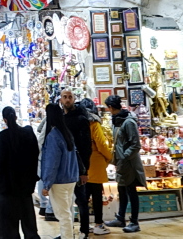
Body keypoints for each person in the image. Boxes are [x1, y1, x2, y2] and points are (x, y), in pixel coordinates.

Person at [0, 106, 40, 239]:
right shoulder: (28, 134)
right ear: (16, 117)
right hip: (25, 187)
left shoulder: (2, 138)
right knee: (28, 222)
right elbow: (35, 155)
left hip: (7, 188)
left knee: (8, 226)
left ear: (5, 120)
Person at [103, 95, 144, 233]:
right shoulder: (117, 121)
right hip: (121, 163)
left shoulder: (128, 122)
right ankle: (120, 218)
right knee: (122, 190)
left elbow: (136, 145)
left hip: (129, 164)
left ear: (111, 107)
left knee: (131, 191)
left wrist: (124, 157)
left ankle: (134, 222)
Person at [39, 103, 80, 239]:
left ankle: (67, 237)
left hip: (59, 180)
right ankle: (66, 235)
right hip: (70, 178)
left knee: (63, 215)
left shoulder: (53, 136)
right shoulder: (66, 133)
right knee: (67, 211)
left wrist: (46, 184)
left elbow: (52, 163)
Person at [61, 90, 93, 239]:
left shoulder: (81, 119)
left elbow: (86, 146)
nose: (67, 100)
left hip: (78, 166)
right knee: (65, 202)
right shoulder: (60, 119)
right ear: (61, 100)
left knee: (81, 200)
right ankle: (67, 232)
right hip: (64, 168)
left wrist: (85, 170)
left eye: (70, 97)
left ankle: (84, 231)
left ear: (74, 99)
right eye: (65, 97)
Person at [79, 99, 113, 235]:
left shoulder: (77, 122)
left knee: (83, 198)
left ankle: (84, 225)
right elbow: (100, 142)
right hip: (95, 162)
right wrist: (109, 156)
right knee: (97, 195)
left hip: (81, 163)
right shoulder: (94, 123)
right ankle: (98, 224)